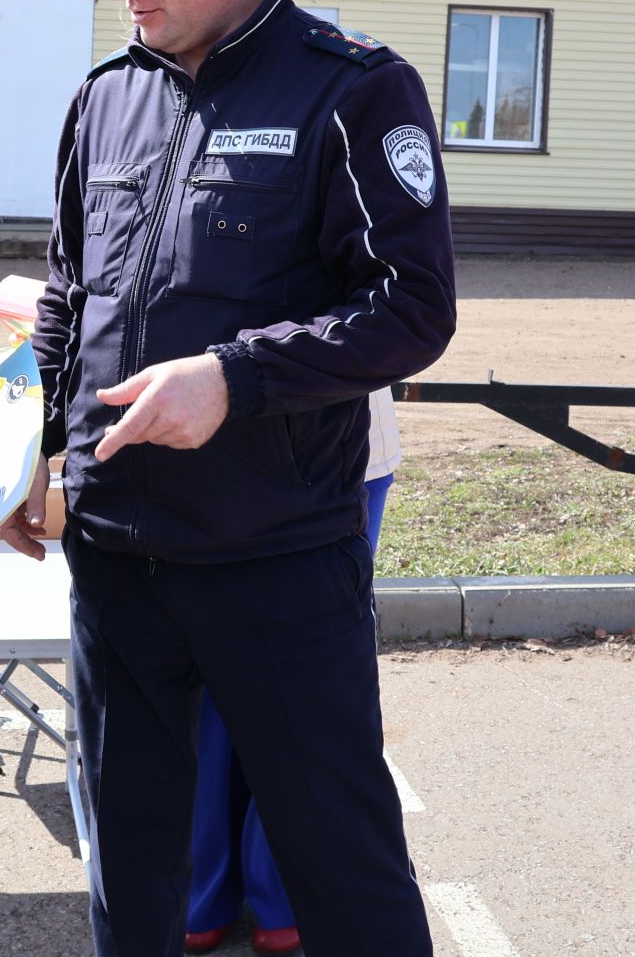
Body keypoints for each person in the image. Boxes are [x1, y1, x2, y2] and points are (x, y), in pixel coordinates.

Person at [11, 0, 457, 956]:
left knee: (342, 862)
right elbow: (70, 294)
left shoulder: (352, 90)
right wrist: (36, 448)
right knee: (131, 865)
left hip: (274, 556)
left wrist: (237, 377)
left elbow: (413, 306)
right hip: (116, 555)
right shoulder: (104, 98)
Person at [186, 386, 403, 953]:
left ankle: (204, 896)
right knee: (301, 682)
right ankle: (278, 899)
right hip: (323, 443)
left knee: (210, 683)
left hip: (208, 452)